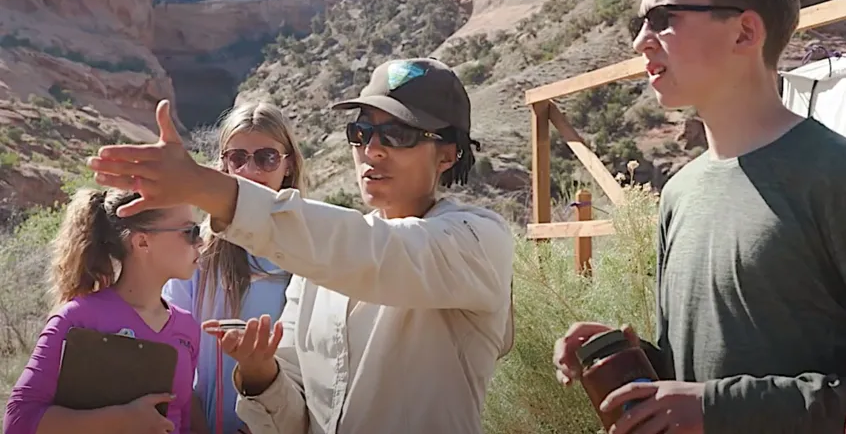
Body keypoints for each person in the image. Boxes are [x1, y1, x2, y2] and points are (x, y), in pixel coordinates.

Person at [85, 57, 514, 434]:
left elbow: (378, 254)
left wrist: (206, 187)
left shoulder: (478, 241)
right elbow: (293, 416)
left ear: (448, 153)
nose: (373, 150)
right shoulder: (315, 272)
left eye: (399, 134)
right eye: (362, 132)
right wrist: (259, 374)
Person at [552, 0, 846, 433]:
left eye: (663, 19)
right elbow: (694, 372)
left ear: (744, 33)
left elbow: (710, 401)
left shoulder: (833, 176)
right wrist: (629, 359)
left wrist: (715, 408)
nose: (639, 41)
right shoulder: (679, 193)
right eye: (639, 21)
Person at [3, 188, 204, 434]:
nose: (201, 241)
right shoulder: (79, 319)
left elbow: (182, 423)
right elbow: (19, 420)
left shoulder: (187, 328)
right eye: (191, 232)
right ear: (142, 242)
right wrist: (122, 420)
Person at [162, 101, 307, 434]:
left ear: (287, 165)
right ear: (224, 165)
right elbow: (173, 352)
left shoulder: (308, 251)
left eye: (266, 158)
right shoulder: (196, 252)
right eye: (237, 158)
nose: (250, 171)